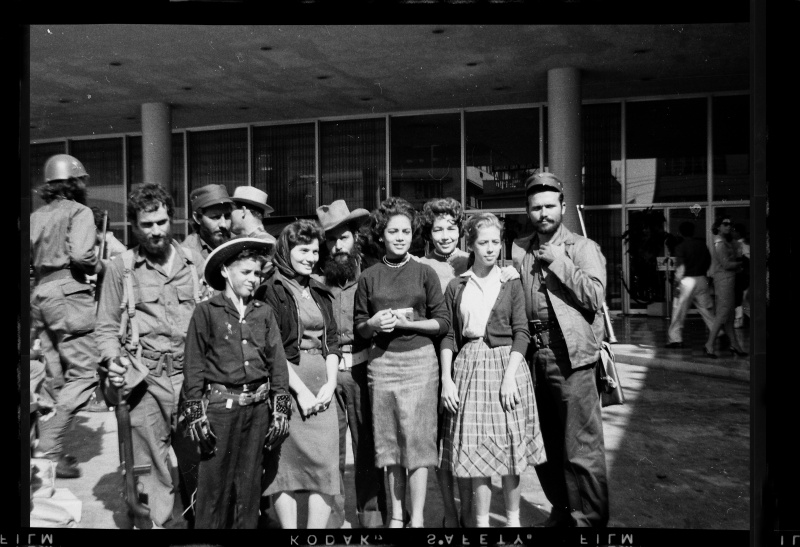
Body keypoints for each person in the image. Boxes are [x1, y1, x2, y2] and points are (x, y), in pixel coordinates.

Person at [96, 183, 202, 528]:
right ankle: (161, 525)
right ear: (133, 226)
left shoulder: (193, 262)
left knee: (198, 461)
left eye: (161, 222)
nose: (156, 231)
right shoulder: (121, 268)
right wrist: (113, 361)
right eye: (147, 224)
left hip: (191, 379)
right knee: (151, 470)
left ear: (171, 219)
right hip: (146, 380)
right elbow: (105, 327)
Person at [511, 172, 609, 528]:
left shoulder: (582, 247)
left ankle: (589, 523)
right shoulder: (518, 249)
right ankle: (563, 510)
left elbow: (595, 296)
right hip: (532, 356)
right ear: (528, 210)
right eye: (537, 207)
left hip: (572, 357)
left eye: (550, 206)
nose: (544, 213)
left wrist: (559, 261)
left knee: (581, 447)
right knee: (545, 444)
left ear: (563, 208)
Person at [417, 197, 519, 527]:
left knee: (465, 439)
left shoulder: (470, 259)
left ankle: (469, 514)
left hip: (465, 360)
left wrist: (509, 270)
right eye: (437, 229)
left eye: (451, 228)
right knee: (441, 444)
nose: (445, 235)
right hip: (430, 359)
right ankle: (450, 512)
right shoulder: (419, 265)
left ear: (462, 234)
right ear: (428, 233)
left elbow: (496, 282)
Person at [439, 212, 545, 528]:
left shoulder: (510, 281)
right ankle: (482, 525)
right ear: (470, 244)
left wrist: (510, 376)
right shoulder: (457, 285)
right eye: (483, 242)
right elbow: (449, 335)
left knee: (510, 451)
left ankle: (513, 523)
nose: (490, 249)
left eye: (495, 242)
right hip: (469, 369)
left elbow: (522, 332)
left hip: (507, 366)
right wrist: (447, 379)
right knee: (477, 451)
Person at [354, 197, 450, 528]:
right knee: (390, 444)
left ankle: (418, 519)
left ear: (413, 233)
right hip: (381, 365)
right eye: (393, 231)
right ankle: (397, 516)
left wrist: (410, 324)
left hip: (421, 364)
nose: (400, 237)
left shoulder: (425, 272)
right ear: (381, 234)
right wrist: (373, 323)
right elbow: (360, 327)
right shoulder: (369, 276)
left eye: (406, 231)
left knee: (419, 444)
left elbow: (442, 323)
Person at [182, 237, 291, 529]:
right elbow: (193, 366)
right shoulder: (206, 312)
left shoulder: (263, 313)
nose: (253, 279)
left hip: (257, 413)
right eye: (245, 272)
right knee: (213, 489)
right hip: (221, 411)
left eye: (257, 273)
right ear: (225, 271)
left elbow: (277, 364)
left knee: (249, 489)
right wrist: (195, 413)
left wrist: (280, 409)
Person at [255, 219, 342, 529]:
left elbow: (332, 342)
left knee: (326, 466)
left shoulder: (319, 290)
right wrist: (301, 393)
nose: (311, 258)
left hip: (322, 383)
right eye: (303, 250)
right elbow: (272, 348)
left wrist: (331, 383)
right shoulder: (270, 290)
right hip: (287, 384)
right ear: (286, 249)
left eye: (315, 251)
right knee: (285, 469)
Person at [315, 200, 387, 528]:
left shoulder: (373, 273)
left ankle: (371, 519)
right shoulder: (315, 280)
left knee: (367, 449)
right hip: (326, 373)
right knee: (330, 451)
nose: (337, 246)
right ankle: (335, 521)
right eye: (330, 240)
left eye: (342, 237)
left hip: (362, 371)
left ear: (355, 237)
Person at [30, 154, 102, 479]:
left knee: (54, 376)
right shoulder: (79, 211)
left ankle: (48, 455)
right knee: (85, 373)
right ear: (75, 183)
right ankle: (48, 446)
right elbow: (83, 256)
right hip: (68, 292)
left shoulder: (36, 216)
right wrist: (100, 265)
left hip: (40, 294)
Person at [665, 222, 715, 349]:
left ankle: (676, 339)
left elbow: (681, 268)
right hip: (701, 279)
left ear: (681, 233)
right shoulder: (702, 245)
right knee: (706, 310)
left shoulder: (681, 247)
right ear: (693, 231)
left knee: (678, 311)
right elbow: (708, 261)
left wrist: (677, 284)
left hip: (686, 280)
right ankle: (718, 332)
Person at [703, 216, 748, 358]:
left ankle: (735, 344)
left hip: (728, 280)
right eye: (725, 224)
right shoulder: (720, 243)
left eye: (730, 224)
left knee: (729, 315)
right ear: (719, 226)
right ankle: (709, 344)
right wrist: (741, 263)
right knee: (723, 313)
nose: (728, 226)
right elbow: (726, 264)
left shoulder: (726, 242)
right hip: (724, 281)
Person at [182, 184, 234, 299]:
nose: (223, 224)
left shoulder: (240, 245)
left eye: (227, 216)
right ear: (197, 218)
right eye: (215, 217)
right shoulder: (186, 254)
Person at [732, 223, 750, 329]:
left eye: (734, 230)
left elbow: (748, 260)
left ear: (738, 232)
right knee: (743, 300)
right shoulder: (743, 244)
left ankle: (739, 320)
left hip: (743, 276)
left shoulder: (741, 245)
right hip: (743, 275)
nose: (732, 232)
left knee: (739, 299)